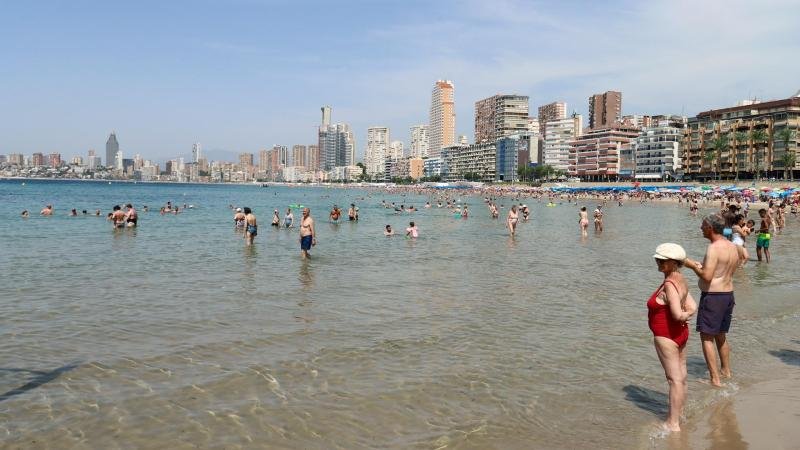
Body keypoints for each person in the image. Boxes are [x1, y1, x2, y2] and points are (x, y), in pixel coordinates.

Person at [683, 214, 739, 387]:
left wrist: (691, 265)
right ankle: (725, 371)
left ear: (710, 228)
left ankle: (715, 380)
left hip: (713, 297)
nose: (700, 228)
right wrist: (702, 266)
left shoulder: (713, 248)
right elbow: (720, 270)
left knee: (706, 337)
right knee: (721, 335)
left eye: (703, 225)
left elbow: (707, 277)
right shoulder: (732, 246)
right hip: (728, 294)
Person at [648, 243, 697, 432]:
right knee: (681, 377)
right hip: (680, 333)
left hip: (666, 335)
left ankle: (672, 423)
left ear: (672, 262)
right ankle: (679, 414)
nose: (657, 262)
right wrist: (685, 316)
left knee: (674, 379)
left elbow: (677, 313)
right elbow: (693, 306)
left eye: (661, 260)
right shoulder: (680, 279)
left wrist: (682, 316)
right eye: (657, 259)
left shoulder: (669, 284)